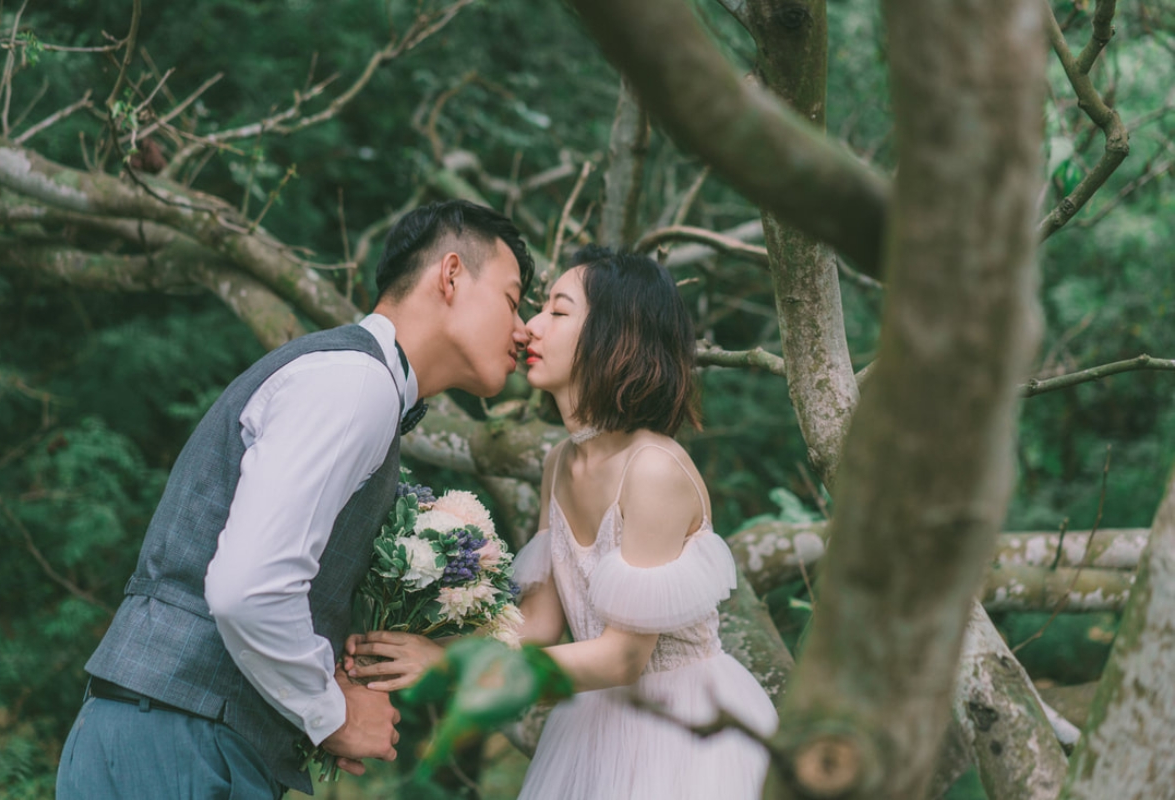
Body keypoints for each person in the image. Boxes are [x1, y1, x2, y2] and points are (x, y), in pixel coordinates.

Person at [55, 200, 535, 799]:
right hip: (182, 741)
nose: (523, 331)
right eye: (514, 301)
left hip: (177, 734)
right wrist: (332, 712)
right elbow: (248, 587)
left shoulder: (360, 383)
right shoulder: (354, 383)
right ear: (451, 273)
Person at [347, 247, 778, 799]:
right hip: (595, 717)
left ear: (618, 334)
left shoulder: (652, 469)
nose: (529, 328)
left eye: (558, 310)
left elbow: (624, 656)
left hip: (686, 727)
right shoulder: (561, 461)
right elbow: (540, 623)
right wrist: (433, 636)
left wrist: (457, 672)